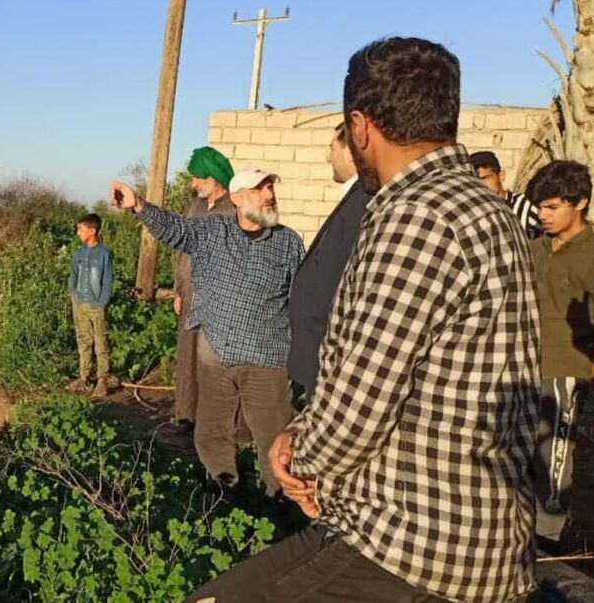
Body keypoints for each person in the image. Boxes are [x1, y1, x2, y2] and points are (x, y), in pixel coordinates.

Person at [186, 37, 541, 603]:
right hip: (463, 531)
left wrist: (298, 456)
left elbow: (361, 401)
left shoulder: (416, 216)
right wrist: (306, 439)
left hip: (418, 548)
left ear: (361, 125)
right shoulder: (480, 207)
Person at [109, 169, 303, 498]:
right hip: (216, 355)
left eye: (271, 188)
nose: (269, 194)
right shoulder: (213, 231)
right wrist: (139, 204)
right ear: (239, 198)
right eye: (260, 189)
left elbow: (301, 297)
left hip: (266, 359)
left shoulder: (287, 242)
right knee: (212, 433)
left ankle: (279, 505)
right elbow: (175, 229)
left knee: (274, 438)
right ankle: (224, 493)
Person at [526, 160, 594, 547]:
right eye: (540, 208)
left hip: (564, 371)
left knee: (554, 454)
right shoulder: (533, 249)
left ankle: (548, 536)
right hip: (522, 368)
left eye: (552, 207)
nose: (543, 215)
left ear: (579, 203)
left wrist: (588, 373)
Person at [286, 122, 369, 401]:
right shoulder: (355, 198)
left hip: (330, 362)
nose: (328, 157)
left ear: (351, 150)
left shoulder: (363, 201)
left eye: (333, 148)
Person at [173, 146, 238, 433]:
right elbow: (183, 250)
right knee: (187, 355)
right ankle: (186, 416)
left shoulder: (233, 209)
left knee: (213, 360)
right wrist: (178, 289)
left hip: (219, 299)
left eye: (198, 177)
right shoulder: (197, 207)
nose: (194, 183)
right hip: (190, 295)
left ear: (214, 177)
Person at [67, 213, 114, 398]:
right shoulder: (78, 253)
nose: (78, 232)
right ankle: (84, 377)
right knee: (83, 340)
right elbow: (73, 275)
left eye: (81, 228)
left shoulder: (105, 254)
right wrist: (74, 294)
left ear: (92, 230)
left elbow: (108, 280)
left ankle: (102, 379)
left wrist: (102, 301)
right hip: (79, 303)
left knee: (101, 340)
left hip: (97, 305)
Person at [470, 150, 542, 238]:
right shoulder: (471, 214)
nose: (479, 185)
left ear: (501, 176)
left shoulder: (525, 206)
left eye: (484, 178)